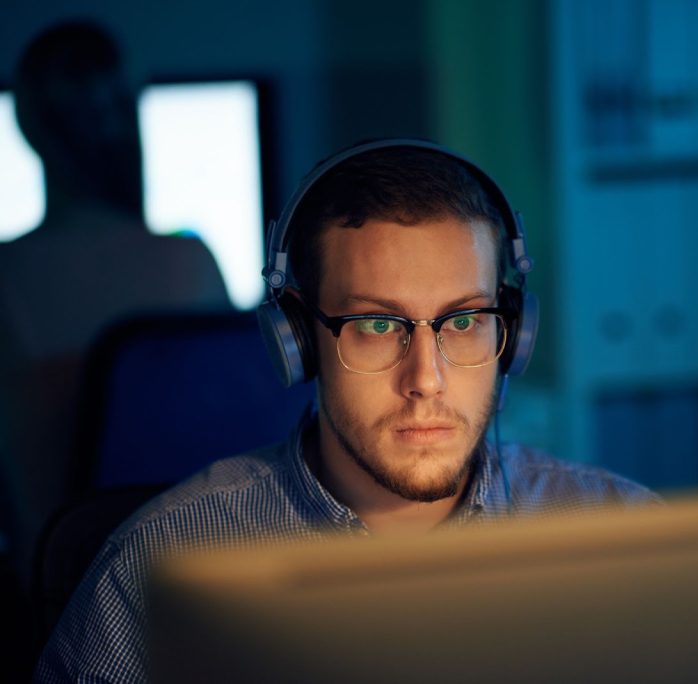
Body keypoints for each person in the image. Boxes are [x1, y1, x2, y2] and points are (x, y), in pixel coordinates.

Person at [35, 140, 657, 682]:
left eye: (465, 320)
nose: (426, 380)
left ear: (513, 332)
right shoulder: (160, 565)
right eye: (377, 325)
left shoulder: (626, 544)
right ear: (297, 340)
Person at [0, 22, 229, 587]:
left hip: (58, 595)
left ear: (29, 126)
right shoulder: (191, 260)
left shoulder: (9, 274)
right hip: (194, 580)